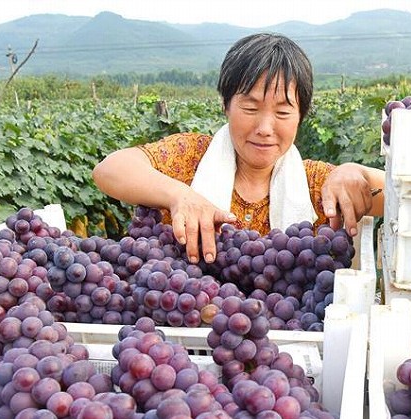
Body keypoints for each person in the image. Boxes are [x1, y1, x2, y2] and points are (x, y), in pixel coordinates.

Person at [93, 32, 384, 264]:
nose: (265, 127)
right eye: (250, 107)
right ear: (225, 105)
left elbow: (404, 197)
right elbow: (110, 170)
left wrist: (356, 172)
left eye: (283, 113)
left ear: (301, 117)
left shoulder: (318, 185)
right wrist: (180, 196)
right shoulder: (188, 157)